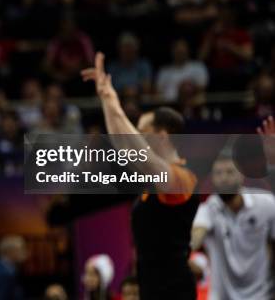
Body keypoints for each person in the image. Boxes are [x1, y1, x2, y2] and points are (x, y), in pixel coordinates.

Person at [82, 53, 199, 299]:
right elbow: (123, 144)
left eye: (142, 131)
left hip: (174, 292)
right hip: (152, 289)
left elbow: (133, 149)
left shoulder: (182, 179)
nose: (136, 136)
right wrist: (106, 98)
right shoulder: (151, 180)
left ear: (162, 136)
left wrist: (114, 104)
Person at [191, 156, 275, 300]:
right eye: (218, 173)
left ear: (241, 176)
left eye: (229, 172)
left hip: (262, 295)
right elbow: (195, 238)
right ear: (212, 179)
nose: (223, 178)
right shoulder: (208, 210)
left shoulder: (266, 203)